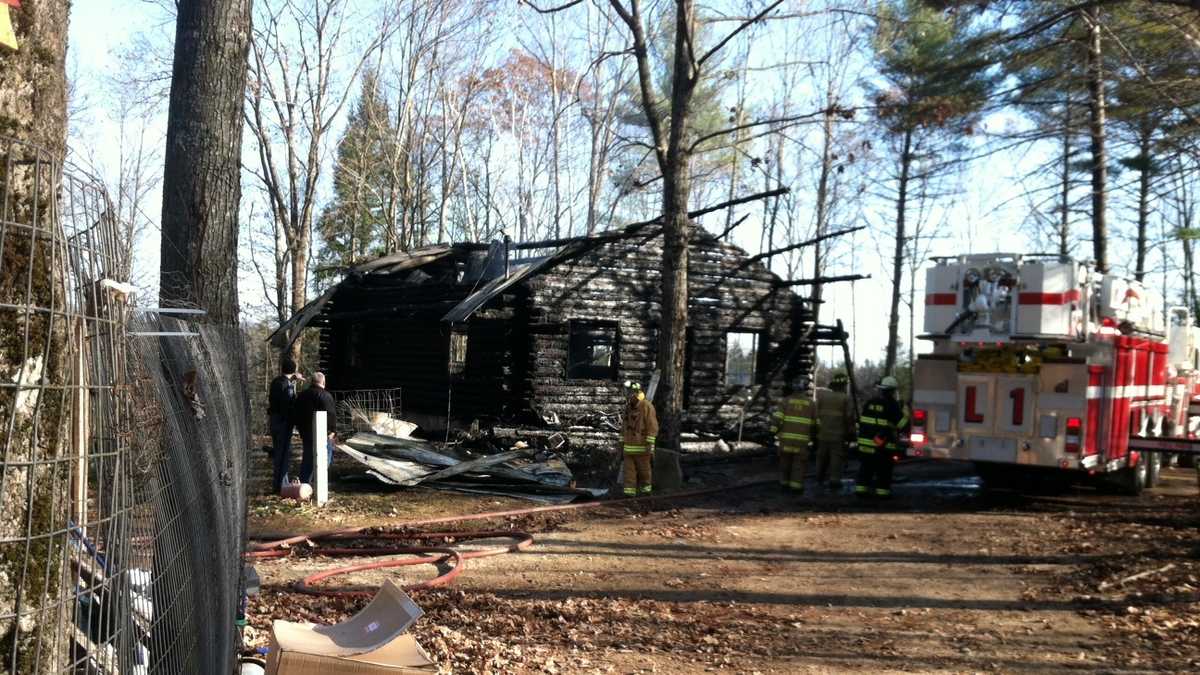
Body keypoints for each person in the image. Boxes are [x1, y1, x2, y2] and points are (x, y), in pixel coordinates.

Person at [855, 376, 905, 499]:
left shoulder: (869, 403)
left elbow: (863, 422)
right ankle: (882, 493)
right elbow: (902, 424)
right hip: (882, 446)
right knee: (884, 470)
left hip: (865, 444)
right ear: (892, 390)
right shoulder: (892, 404)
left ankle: (861, 490)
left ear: (881, 389)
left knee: (865, 468)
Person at [293, 371, 338, 486]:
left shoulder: (302, 395)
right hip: (323, 433)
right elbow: (330, 415)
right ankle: (319, 484)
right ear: (323, 382)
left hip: (306, 433)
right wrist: (333, 431)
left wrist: (300, 429)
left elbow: (296, 414)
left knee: (307, 459)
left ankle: (304, 485)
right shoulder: (326, 395)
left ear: (312, 382)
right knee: (324, 459)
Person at [770, 378, 815, 493]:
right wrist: (815, 437)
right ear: (805, 389)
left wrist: (772, 432)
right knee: (799, 465)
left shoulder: (786, 401)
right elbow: (815, 423)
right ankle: (796, 487)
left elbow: (777, 418)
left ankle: (784, 485)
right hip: (802, 442)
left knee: (785, 463)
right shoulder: (811, 404)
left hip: (786, 440)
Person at [268, 357, 302, 492]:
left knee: (278, 452)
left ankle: (278, 484)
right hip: (283, 422)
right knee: (284, 454)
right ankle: (282, 485)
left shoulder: (275, 382)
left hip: (274, 420)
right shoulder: (287, 386)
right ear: (293, 370)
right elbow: (288, 403)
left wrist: (292, 381)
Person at [815, 371, 855, 490]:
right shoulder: (845, 398)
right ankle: (834, 480)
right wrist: (851, 432)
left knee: (821, 457)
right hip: (838, 435)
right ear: (843, 385)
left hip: (822, 434)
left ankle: (819, 478)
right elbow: (849, 417)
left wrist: (816, 430)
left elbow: (816, 415)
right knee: (836, 458)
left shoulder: (822, 397)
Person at [620, 381, 658, 496]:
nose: (626, 395)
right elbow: (624, 427)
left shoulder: (647, 406)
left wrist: (650, 445)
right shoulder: (628, 407)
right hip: (628, 449)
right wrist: (621, 443)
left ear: (635, 393)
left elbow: (652, 426)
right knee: (629, 473)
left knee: (644, 472)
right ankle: (629, 494)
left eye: (628, 393)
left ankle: (646, 494)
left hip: (642, 448)